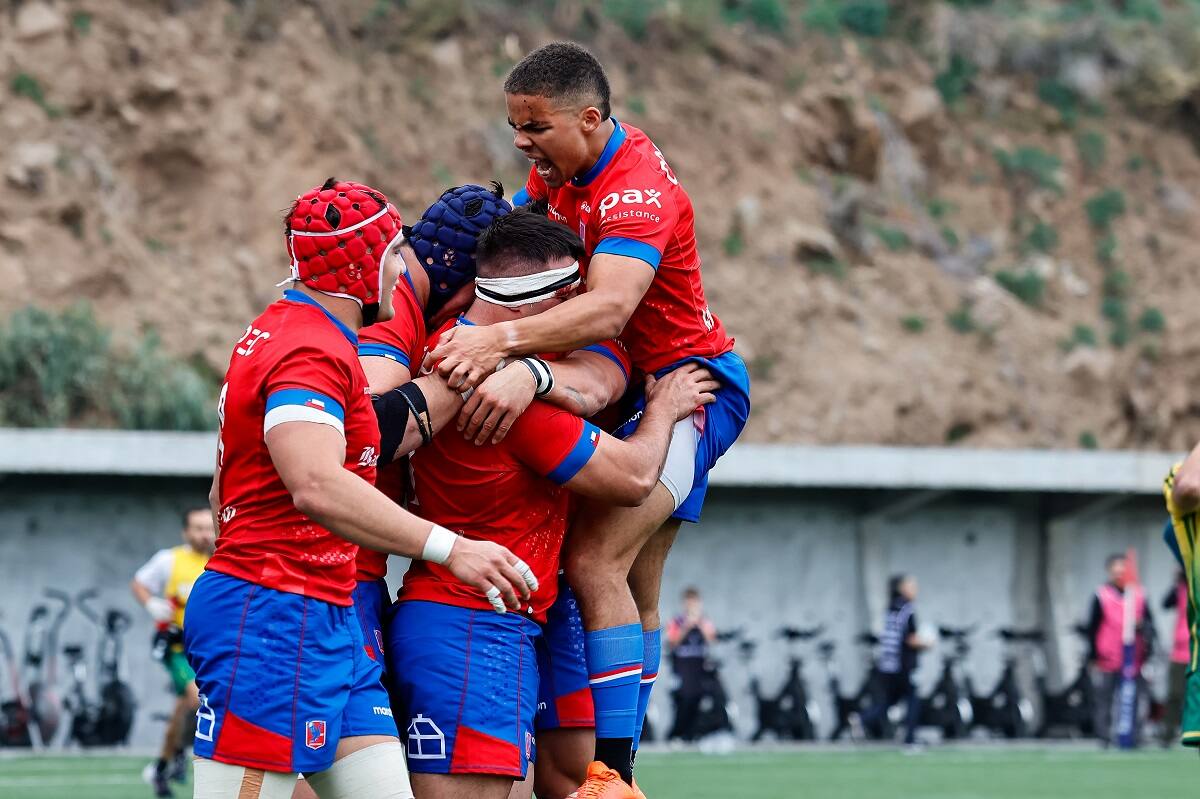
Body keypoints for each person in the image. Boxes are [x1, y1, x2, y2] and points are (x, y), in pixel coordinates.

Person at [426, 41, 751, 796]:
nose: (521, 143)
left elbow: (608, 308)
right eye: (515, 126)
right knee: (635, 581)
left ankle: (615, 773)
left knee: (595, 563)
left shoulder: (634, 192)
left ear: (590, 119)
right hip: (625, 380)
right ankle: (616, 763)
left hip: (686, 384)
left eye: (535, 126)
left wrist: (501, 345)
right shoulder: (558, 173)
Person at [184, 178, 536, 799]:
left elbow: (223, 495)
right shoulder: (309, 349)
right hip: (274, 614)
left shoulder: (297, 332)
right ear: (361, 266)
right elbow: (316, 484)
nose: (403, 270)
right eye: (396, 253)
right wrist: (452, 548)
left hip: (325, 610)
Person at [387, 209, 717, 799]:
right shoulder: (504, 399)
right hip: (474, 624)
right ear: (529, 301)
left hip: (481, 618)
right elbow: (634, 478)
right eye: (566, 301)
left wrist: (536, 369)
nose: (574, 316)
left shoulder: (464, 350)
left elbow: (604, 365)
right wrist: (665, 410)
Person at [131, 506, 215, 798]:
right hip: (178, 648)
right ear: (186, 532)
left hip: (211, 648)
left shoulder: (223, 559)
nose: (205, 534)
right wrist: (151, 604)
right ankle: (182, 756)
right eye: (198, 528)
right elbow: (139, 583)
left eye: (209, 527)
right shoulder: (170, 560)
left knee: (183, 708)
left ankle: (164, 763)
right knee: (197, 696)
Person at [1084, 553, 1155, 746]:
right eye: (1115, 571)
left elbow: (1150, 625)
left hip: (1134, 658)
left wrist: (1143, 630)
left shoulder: (1139, 595)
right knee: (1104, 698)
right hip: (1107, 657)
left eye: (1123, 571)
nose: (1119, 575)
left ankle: (1133, 735)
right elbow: (1092, 627)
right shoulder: (1102, 594)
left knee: (1134, 697)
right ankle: (1104, 736)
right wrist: (1092, 655)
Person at [860, 575, 929, 746]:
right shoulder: (907, 610)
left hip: (888, 666)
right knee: (913, 700)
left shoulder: (891, 608)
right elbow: (909, 639)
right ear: (902, 588)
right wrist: (928, 643)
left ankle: (862, 719)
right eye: (912, 585)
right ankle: (910, 738)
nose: (916, 589)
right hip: (903, 665)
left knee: (889, 701)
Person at [665, 587, 716, 742]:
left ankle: (694, 733)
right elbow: (672, 642)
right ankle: (677, 734)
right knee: (683, 699)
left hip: (699, 667)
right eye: (688, 602)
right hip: (682, 667)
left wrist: (699, 623)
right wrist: (687, 626)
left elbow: (712, 640)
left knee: (699, 699)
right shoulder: (676, 621)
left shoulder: (704, 621)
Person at [1161, 567, 1190, 746]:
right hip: (1180, 653)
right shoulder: (1180, 589)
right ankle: (1167, 734)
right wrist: (1177, 581)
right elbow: (1165, 604)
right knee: (1174, 694)